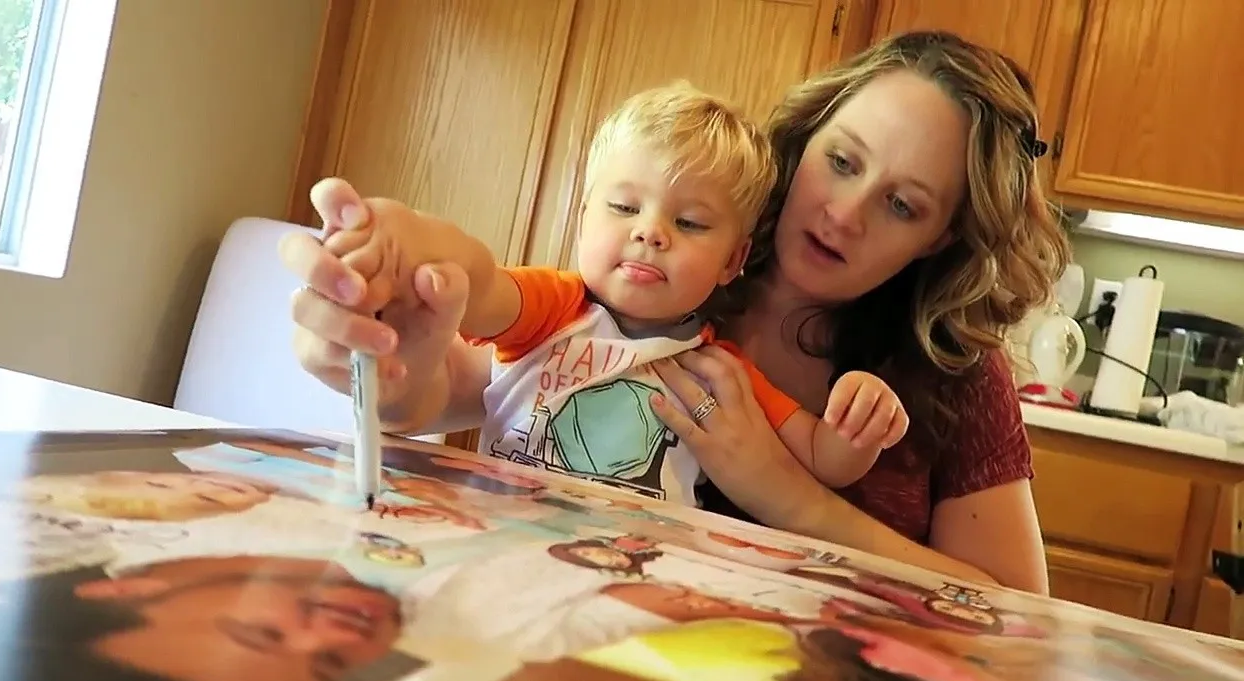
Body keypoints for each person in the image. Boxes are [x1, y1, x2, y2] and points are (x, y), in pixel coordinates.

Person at [281, 30, 1070, 593]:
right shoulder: (670, 273)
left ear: (941, 239)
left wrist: (788, 498)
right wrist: (389, 357)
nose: (846, 213)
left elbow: (1017, 611)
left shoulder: (954, 369)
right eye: (841, 161)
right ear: (807, 138)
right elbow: (462, 373)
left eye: (901, 203)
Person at [314, 82, 908, 507]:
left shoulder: (720, 373)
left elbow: (823, 460)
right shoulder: (553, 308)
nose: (649, 232)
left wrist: (859, 419)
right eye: (624, 207)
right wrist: (412, 239)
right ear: (582, 219)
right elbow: (481, 284)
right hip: (502, 534)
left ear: (732, 261)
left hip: (639, 573)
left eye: (691, 224)